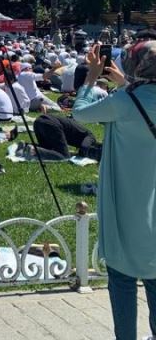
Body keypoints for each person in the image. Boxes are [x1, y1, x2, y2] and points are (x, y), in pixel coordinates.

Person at [72, 40, 156, 340]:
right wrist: (128, 84)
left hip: (128, 204)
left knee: (122, 277)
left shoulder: (123, 103)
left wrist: (91, 79)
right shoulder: (128, 97)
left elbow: (80, 113)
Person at [31, 114, 99, 161]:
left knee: (47, 149)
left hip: (39, 121)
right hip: (51, 124)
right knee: (64, 156)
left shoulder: (84, 132)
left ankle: (27, 146)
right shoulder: (91, 137)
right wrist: (84, 153)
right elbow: (84, 147)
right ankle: (36, 151)